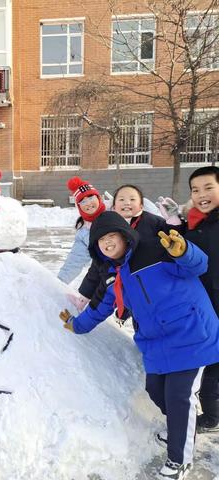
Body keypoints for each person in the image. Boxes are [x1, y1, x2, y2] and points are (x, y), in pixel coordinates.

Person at [59, 211, 219, 480]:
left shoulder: (157, 251)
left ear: (124, 235)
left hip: (191, 333)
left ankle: (179, 460)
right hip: (157, 342)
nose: (107, 243)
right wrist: (77, 325)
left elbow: (198, 265)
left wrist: (183, 251)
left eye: (111, 236)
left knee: (180, 396)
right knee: (156, 389)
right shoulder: (113, 276)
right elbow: (99, 309)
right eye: (101, 241)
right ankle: (182, 427)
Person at [77, 185, 168, 311]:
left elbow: (177, 239)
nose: (126, 203)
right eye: (121, 200)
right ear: (114, 207)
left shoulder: (154, 222)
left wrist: (173, 221)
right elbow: (98, 265)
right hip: (129, 292)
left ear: (141, 205)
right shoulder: (108, 227)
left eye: (132, 199)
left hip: (157, 285)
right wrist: (85, 295)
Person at [184, 166, 219, 433]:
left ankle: (211, 414)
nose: (201, 195)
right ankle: (211, 412)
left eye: (209, 187)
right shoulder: (197, 223)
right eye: (196, 190)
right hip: (204, 304)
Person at [57, 176, 105, 310]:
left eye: (90, 197)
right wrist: (58, 283)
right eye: (82, 201)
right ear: (79, 206)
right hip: (107, 277)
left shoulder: (116, 213)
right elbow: (75, 261)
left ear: (98, 197)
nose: (88, 203)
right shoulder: (85, 232)